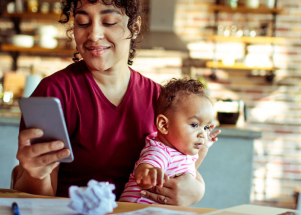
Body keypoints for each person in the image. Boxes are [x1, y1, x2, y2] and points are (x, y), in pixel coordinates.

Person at [13, 0, 221, 206]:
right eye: (83, 22)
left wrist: (197, 190)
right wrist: (36, 175)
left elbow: (179, 161)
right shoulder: (54, 93)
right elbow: (35, 202)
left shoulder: (160, 99)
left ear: (135, 27)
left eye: (109, 21)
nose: (94, 35)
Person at [119, 78, 220, 204]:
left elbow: (191, 168)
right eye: (194, 125)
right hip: (135, 209)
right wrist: (148, 173)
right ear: (164, 125)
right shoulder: (160, 150)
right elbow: (145, 169)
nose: (202, 134)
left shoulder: (181, 153)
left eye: (205, 127)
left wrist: (204, 147)